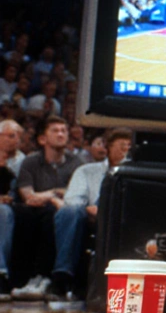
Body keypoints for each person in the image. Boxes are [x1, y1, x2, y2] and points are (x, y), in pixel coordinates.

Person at [49, 128, 133, 301]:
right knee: (69, 212)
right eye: (122, 145)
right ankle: (62, 276)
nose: (126, 150)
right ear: (108, 147)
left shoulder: (136, 173)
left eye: (129, 146)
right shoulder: (86, 171)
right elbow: (72, 200)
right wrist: (90, 209)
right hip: (89, 216)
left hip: (121, 219)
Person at [11, 117, 82, 300]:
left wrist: (47, 196)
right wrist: (53, 194)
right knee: (27, 214)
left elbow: (75, 195)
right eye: (55, 130)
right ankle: (29, 279)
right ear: (43, 139)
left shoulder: (77, 163)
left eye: (64, 130)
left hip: (64, 212)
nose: (61, 134)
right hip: (35, 211)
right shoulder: (31, 161)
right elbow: (28, 196)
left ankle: (49, 278)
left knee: (61, 215)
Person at [0, 119, 24, 300]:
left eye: (19, 137)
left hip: (14, 205)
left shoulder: (22, 160)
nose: (16, 140)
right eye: (11, 136)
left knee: (5, 213)